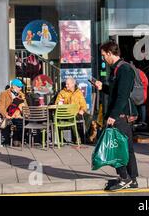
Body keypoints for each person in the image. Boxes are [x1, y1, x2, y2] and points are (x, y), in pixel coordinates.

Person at [94, 41, 139, 191]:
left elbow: (122, 95)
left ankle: (124, 178)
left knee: (118, 147)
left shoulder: (124, 69)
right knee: (126, 147)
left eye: (103, 55)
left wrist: (112, 116)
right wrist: (104, 87)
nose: (103, 59)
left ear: (109, 53)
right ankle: (131, 179)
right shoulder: (117, 69)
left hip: (120, 115)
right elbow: (116, 92)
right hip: (119, 114)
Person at [55, 77, 93, 143]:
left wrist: (82, 110)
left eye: (68, 84)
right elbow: (57, 103)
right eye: (66, 84)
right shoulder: (62, 92)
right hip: (67, 113)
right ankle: (77, 138)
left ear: (73, 84)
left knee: (89, 117)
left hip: (77, 113)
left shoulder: (78, 92)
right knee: (72, 118)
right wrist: (60, 103)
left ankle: (84, 135)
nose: (66, 85)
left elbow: (83, 104)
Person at [0, 79, 27, 147]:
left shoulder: (21, 94)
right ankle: (16, 140)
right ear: (13, 86)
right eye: (19, 87)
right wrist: (6, 115)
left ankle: (19, 139)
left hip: (18, 115)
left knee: (25, 121)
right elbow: (0, 107)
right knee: (19, 122)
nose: (20, 88)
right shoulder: (4, 94)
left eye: (21, 87)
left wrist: (23, 99)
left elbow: (25, 107)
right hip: (9, 115)